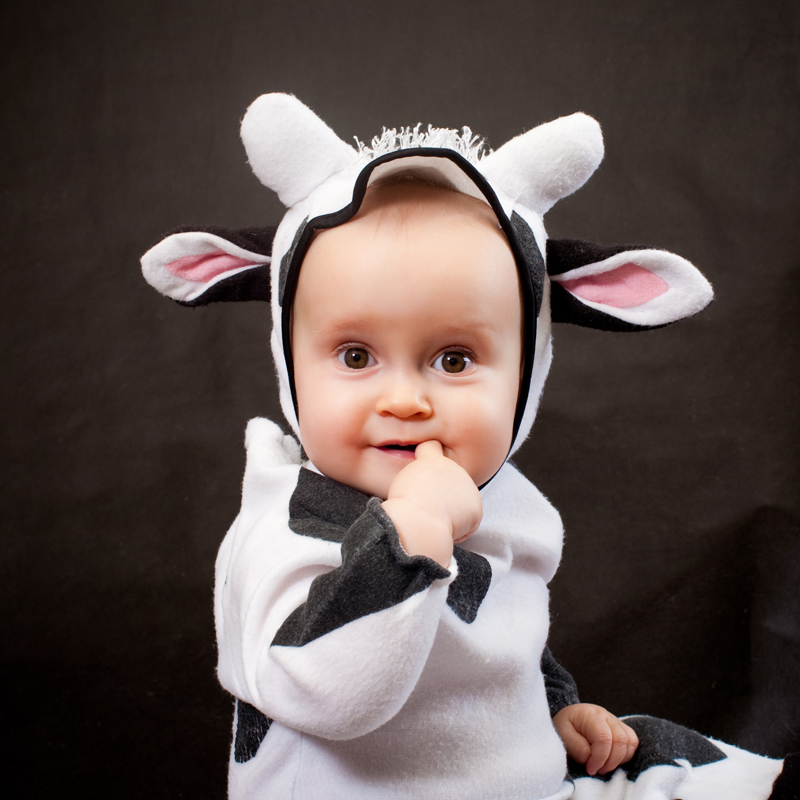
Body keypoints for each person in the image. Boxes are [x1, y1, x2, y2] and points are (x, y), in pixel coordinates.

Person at [141, 93, 792, 799]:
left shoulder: (500, 501)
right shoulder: (290, 529)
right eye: (356, 356)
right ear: (290, 366)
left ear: (527, 375)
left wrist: (555, 707)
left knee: (683, 760)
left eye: (453, 360)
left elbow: (499, 637)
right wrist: (411, 533)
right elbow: (320, 689)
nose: (404, 400)